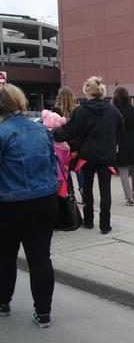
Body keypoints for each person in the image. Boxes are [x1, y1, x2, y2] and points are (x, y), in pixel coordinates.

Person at [0, 84, 59, 328]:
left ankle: (3, 302)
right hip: (45, 200)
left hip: (10, 204)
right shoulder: (42, 131)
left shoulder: (2, 132)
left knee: (4, 256)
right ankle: (43, 313)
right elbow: (51, 164)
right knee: (40, 258)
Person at [53, 76, 123, 234]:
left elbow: (68, 132)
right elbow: (120, 129)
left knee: (88, 188)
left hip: (86, 156)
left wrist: (53, 134)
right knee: (106, 190)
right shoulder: (113, 110)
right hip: (106, 155)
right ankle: (105, 225)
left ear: (87, 91)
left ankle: (89, 220)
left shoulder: (81, 110)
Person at [112, 87, 134, 207]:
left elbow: (112, 128)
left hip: (120, 141)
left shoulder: (114, 111)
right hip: (133, 140)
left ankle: (129, 197)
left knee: (123, 170)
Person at [53, 86, 84, 200]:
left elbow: (53, 128)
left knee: (66, 170)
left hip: (63, 145)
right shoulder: (78, 109)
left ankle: (70, 193)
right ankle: (82, 188)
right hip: (77, 143)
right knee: (79, 168)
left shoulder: (56, 110)